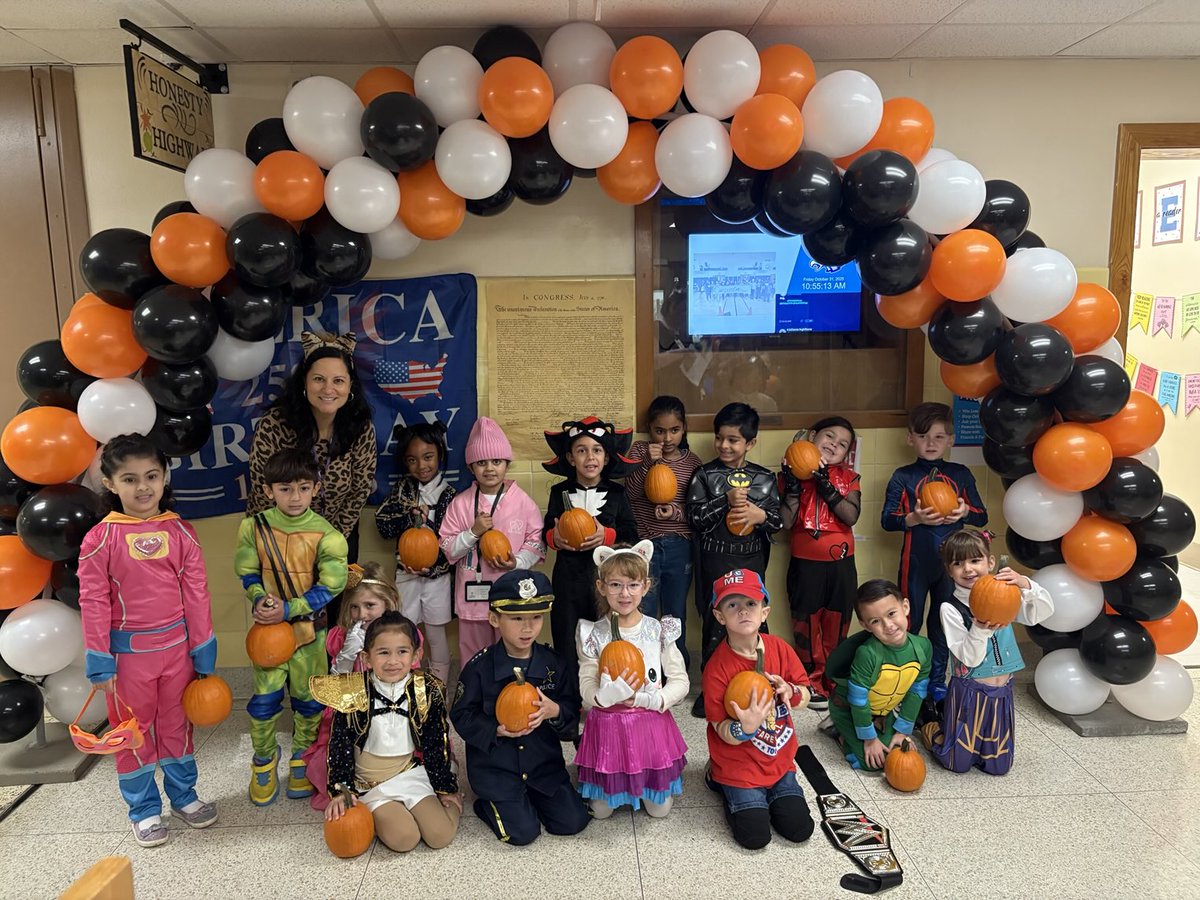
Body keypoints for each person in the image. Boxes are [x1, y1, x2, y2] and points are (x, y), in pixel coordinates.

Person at [78, 434, 218, 847]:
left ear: (164, 477)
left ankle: (184, 796)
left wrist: (203, 650)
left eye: (152, 476)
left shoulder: (182, 532)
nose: (143, 488)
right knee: (132, 733)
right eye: (130, 479)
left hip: (178, 654)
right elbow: (94, 603)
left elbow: (197, 594)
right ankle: (143, 810)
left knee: (178, 726)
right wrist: (100, 661)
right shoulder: (99, 539)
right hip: (126, 662)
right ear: (109, 483)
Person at [233, 447, 348, 806]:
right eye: (285, 488)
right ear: (269, 491)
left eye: (302, 487)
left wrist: (289, 608)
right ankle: (264, 759)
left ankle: (303, 756)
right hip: (267, 635)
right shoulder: (254, 527)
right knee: (263, 703)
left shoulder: (327, 534)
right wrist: (258, 598)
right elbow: (248, 570)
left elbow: (331, 585)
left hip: (309, 636)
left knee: (308, 702)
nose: (294, 496)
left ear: (316, 488)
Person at [449, 570, 590, 846]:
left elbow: (571, 709)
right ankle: (487, 804)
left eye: (536, 618)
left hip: (543, 767)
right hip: (497, 770)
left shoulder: (553, 665)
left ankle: (531, 799)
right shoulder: (479, 668)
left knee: (572, 822)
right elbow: (462, 714)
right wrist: (495, 730)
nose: (528, 628)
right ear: (494, 619)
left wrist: (556, 712)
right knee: (523, 834)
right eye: (516, 619)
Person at [246, 331, 376, 625]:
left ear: (350, 386)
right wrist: (292, 540)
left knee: (334, 614)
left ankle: (332, 671)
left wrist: (332, 539)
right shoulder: (277, 423)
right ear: (304, 383)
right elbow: (261, 483)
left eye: (338, 380)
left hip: (338, 535)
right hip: (282, 537)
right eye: (319, 379)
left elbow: (361, 487)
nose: (328, 388)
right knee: (288, 618)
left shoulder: (359, 426)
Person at [319, 611, 462, 852]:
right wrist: (340, 789)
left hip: (409, 774)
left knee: (440, 836)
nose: (393, 661)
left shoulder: (426, 689)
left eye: (402, 652)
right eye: (383, 652)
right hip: (370, 784)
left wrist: (446, 788)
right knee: (404, 839)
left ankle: (444, 803)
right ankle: (383, 813)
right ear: (367, 657)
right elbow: (339, 745)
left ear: (417, 654)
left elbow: (436, 742)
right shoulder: (353, 691)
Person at [920, 530, 1053, 775]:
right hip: (968, 691)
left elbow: (1042, 613)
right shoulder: (951, 608)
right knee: (957, 764)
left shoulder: (1005, 594)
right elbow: (969, 658)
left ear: (990, 562)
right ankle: (932, 729)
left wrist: (1026, 584)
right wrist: (979, 629)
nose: (968, 569)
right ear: (949, 571)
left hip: (1002, 692)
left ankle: (969, 739)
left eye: (975, 560)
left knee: (998, 767)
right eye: (958, 563)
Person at [880, 402, 986, 706]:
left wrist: (965, 510)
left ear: (951, 440)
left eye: (939, 437)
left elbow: (981, 515)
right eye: (923, 436)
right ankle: (902, 682)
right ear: (910, 438)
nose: (930, 443)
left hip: (952, 568)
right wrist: (914, 519)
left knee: (944, 625)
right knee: (907, 623)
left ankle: (936, 683)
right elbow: (887, 521)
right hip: (915, 563)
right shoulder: (903, 476)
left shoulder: (961, 474)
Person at [575, 542, 688, 819]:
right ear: (602, 587)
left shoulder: (658, 629)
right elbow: (586, 681)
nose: (624, 593)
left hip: (650, 723)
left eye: (633, 585)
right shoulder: (592, 633)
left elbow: (680, 680)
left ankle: (647, 781)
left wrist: (655, 698)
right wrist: (601, 697)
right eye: (615, 585)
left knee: (659, 810)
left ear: (646, 586)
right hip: (608, 727)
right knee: (601, 811)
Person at [702, 569, 813, 851]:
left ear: (765, 611)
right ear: (719, 616)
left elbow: (806, 694)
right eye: (732, 605)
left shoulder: (780, 649)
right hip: (737, 765)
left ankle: (770, 793)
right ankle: (717, 779)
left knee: (800, 829)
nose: (743, 611)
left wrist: (792, 691)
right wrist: (746, 727)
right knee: (754, 837)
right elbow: (720, 727)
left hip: (778, 762)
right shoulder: (717, 667)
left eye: (751, 603)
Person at [686, 402, 782, 715]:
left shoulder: (764, 479)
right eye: (719, 438)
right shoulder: (704, 475)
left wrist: (760, 515)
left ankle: (758, 685)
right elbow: (696, 519)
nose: (724, 445)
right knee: (716, 624)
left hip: (751, 562)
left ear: (750, 443)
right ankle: (712, 691)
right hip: (715, 561)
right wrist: (724, 502)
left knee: (752, 624)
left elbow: (778, 524)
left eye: (733, 440)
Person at [440, 417, 545, 664]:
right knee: (474, 657)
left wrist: (516, 562)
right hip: (472, 598)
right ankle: (474, 700)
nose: (489, 468)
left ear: (507, 464)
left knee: (512, 653)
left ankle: (510, 697)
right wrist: (473, 532)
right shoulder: (461, 503)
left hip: (512, 595)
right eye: (481, 462)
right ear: (470, 468)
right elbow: (447, 548)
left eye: (496, 461)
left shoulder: (523, 502)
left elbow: (536, 541)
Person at [301, 562, 400, 811]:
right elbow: (335, 686)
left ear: (387, 604)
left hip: (390, 708)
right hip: (351, 710)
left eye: (370, 606)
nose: (362, 614)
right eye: (355, 607)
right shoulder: (340, 636)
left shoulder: (401, 636)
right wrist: (346, 655)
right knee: (336, 758)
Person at [780, 417, 861, 711]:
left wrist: (825, 484)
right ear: (812, 436)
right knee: (806, 621)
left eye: (842, 444)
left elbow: (851, 516)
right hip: (805, 564)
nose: (834, 445)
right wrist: (791, 486)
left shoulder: (849, 477)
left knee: (838, 622)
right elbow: (785, 522)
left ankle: (834, 681)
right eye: (829, 437)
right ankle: (809, 682)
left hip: (841, 564)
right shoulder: (791, 472)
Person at [543, 416, 639, 662]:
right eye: (582, 451)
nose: (590, 457)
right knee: (566, 633)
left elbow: (631, 532)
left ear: (606, 458)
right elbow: (546, 529)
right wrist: (555, 537)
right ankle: (569, 693)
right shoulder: (558, 492)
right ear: (570, 458)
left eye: (597, 450)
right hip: (568, 578)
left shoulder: (617, 493)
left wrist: (608, 535)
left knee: (605, 634)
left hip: (606, 580)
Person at [375, 421, 456, 683]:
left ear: (440, 454)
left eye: (428, 457)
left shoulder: (450, 495)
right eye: (412, 460)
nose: (421, 466)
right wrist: (407, 514)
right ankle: (405, 683)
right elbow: (383, 525)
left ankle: (438, 687)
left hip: (438, 577)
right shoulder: (402, 491)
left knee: (435, 632)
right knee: (404, 630)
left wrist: (433, 565)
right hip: (406, 575)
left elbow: (454, 540)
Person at [623, 396, 702, 667]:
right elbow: (630, 495)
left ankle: (674, 666)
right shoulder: (638, 451)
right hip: (645, 545)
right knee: (643, 608)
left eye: (674, 430)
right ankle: (644, 666)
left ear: (684, 429)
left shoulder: (692, 463)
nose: (667, 438)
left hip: (680, 546)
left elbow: (696, 508)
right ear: (649, 429)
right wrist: (647, 463)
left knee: (674, 612)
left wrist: (675, 512)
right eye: (660, 431)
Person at [825, 580, 932, 772]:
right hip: (848, 708)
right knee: (873, 762)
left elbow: (917, 692)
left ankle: (877, 729)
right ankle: (838, 729)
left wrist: (902, 731)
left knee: (897, 753)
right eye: (875, 621)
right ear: (865, 626)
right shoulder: (868, 654)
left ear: (905, 607)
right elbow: (858, 700)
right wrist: (869, 738)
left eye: (892, 614)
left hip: (883, 710)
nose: (888, 625)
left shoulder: (923, 648)